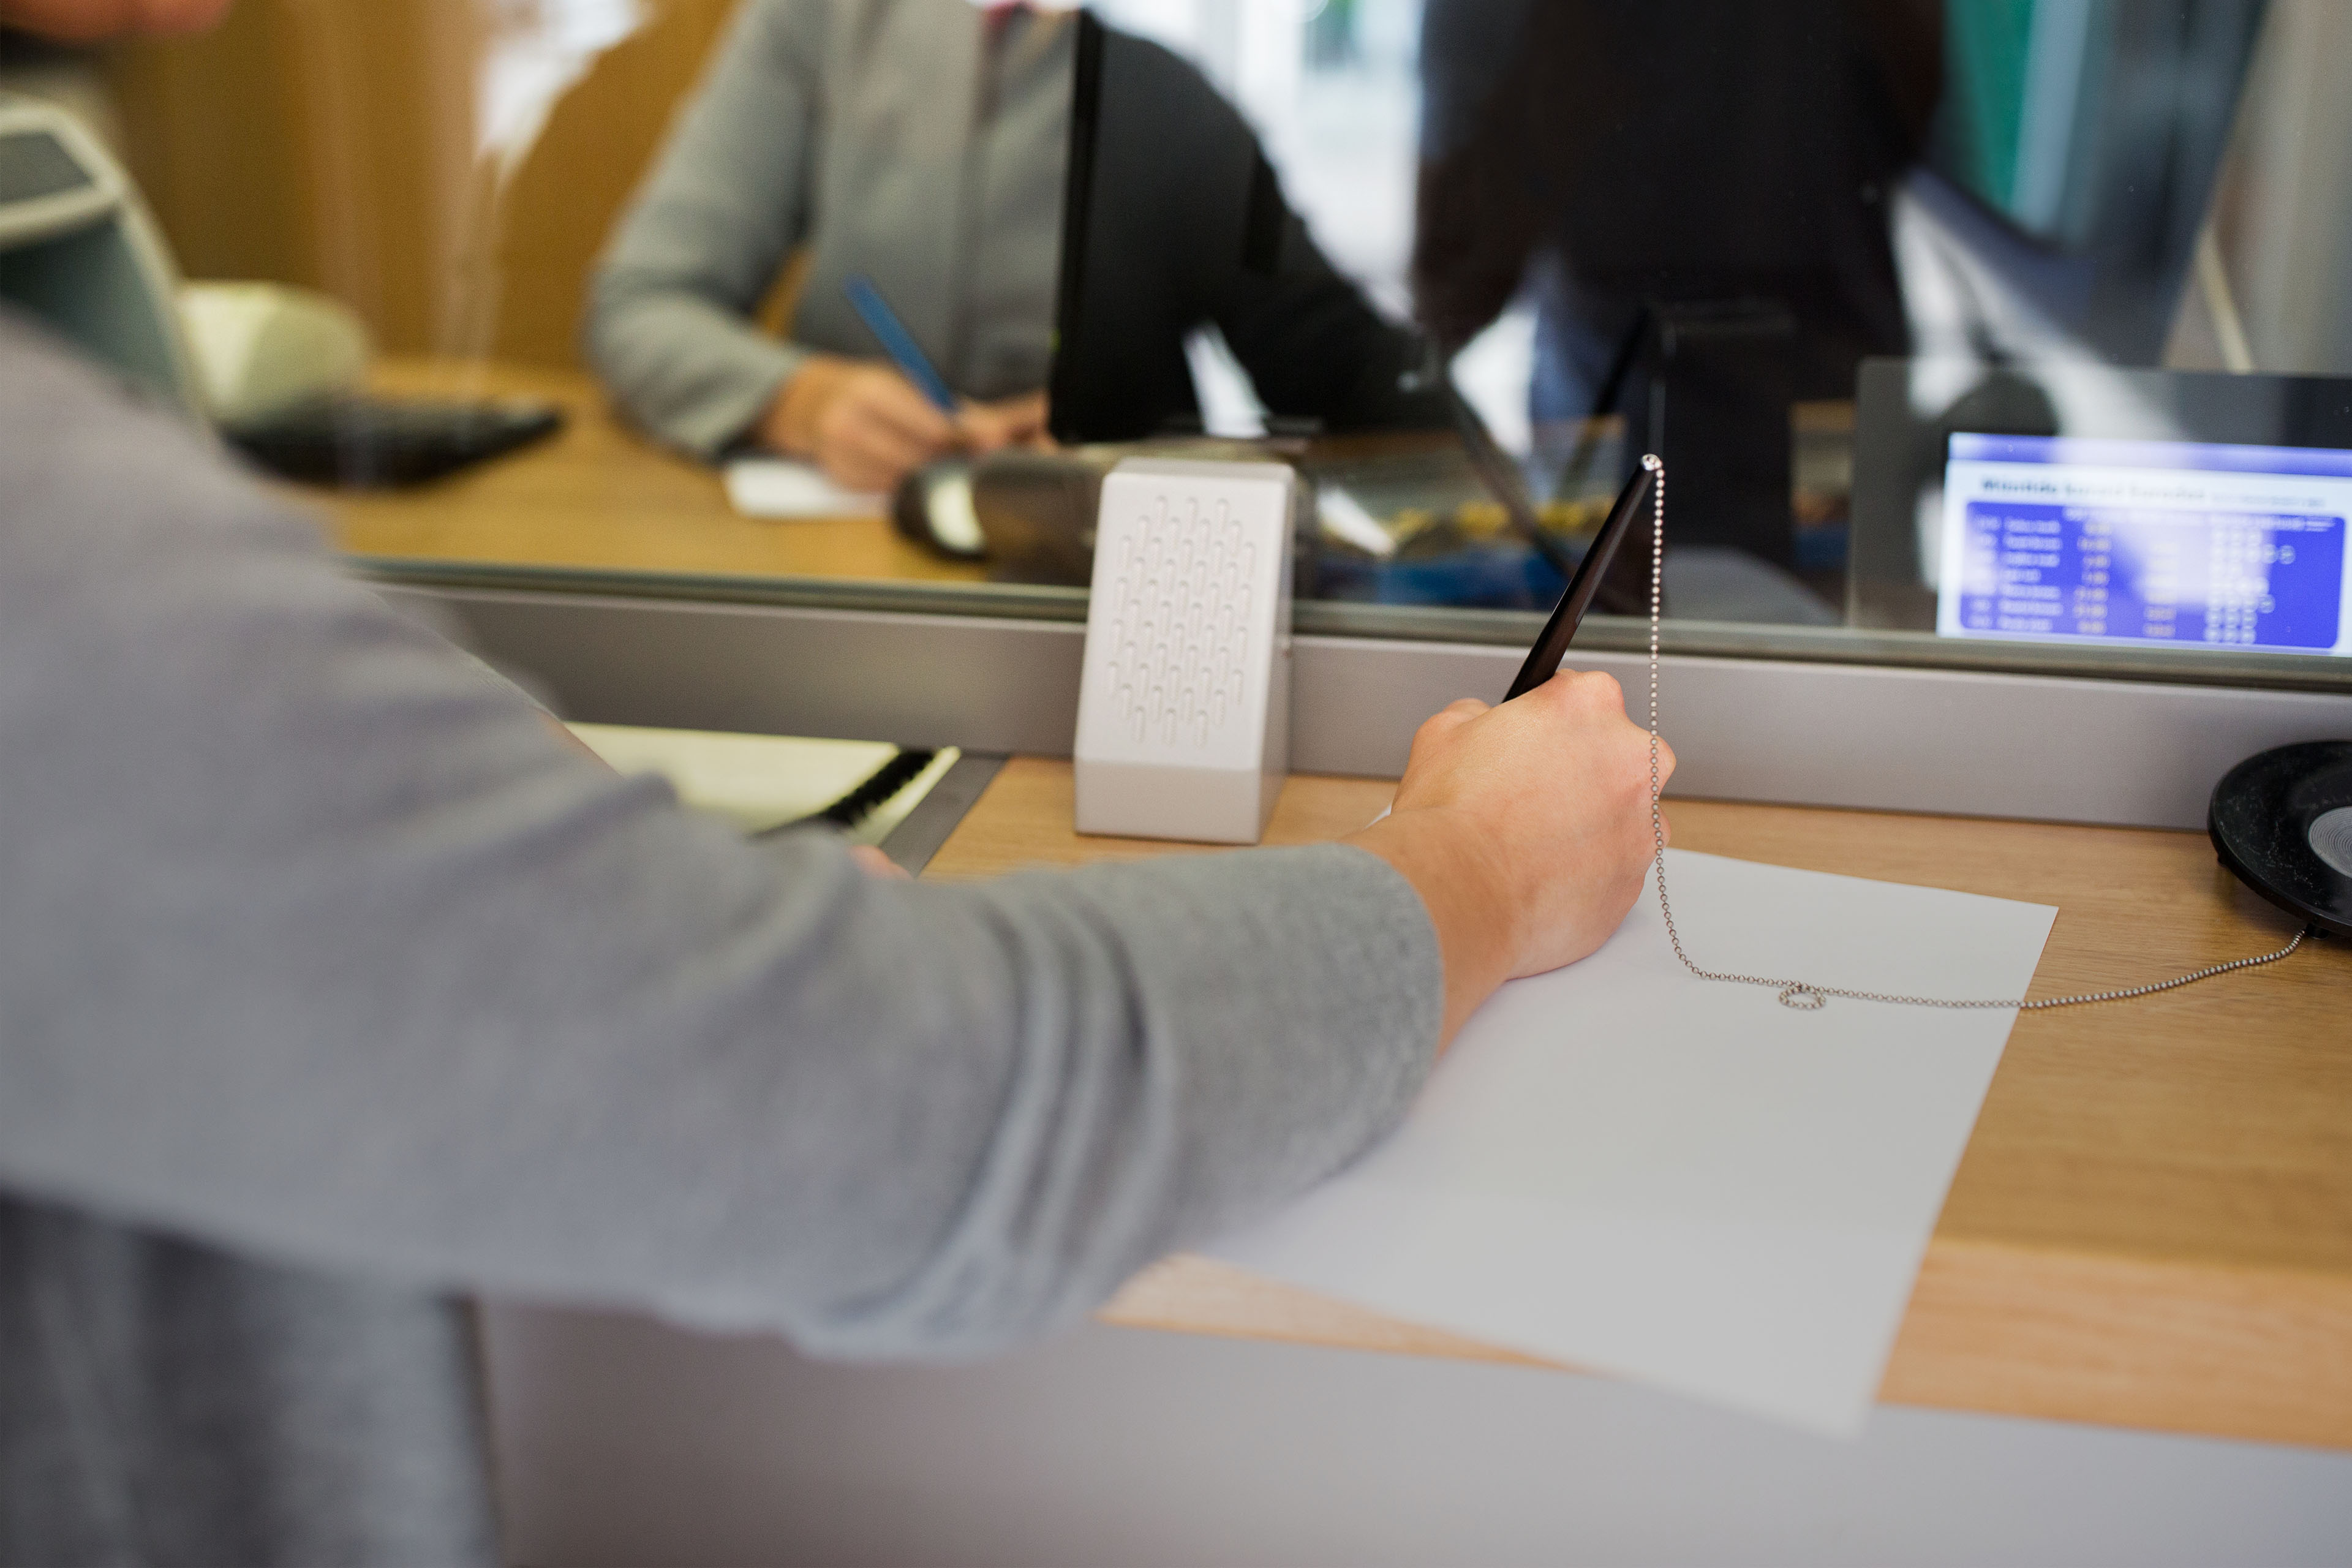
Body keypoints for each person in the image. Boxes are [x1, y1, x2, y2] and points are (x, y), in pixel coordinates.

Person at [0, 2, 1672, 1562]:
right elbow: (917, 1104)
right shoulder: (57, 559)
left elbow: (1366, 381)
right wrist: (1484, 871)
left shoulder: (1158, 105)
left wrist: (543, 837)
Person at [588, 0, 1074, 492]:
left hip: (1107, 535)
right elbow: (643, 302)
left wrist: (1131, 427)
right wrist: (800, 400)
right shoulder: (819, 13)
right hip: (841, 529)